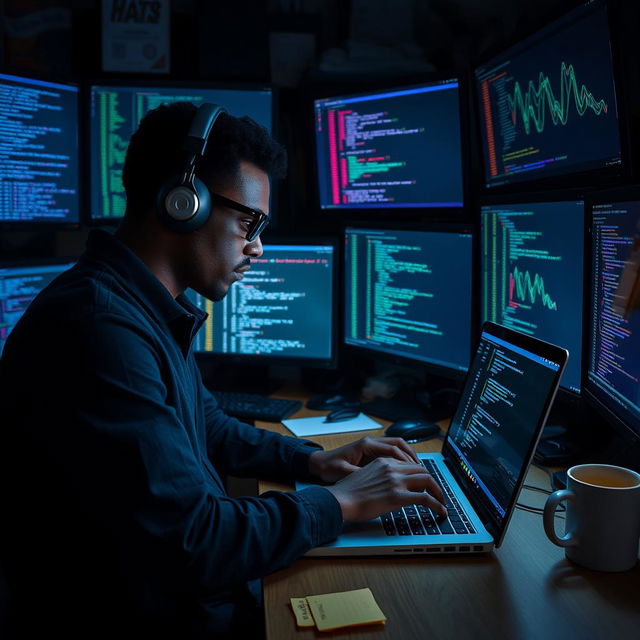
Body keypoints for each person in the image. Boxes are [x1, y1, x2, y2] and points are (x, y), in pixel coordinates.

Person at [0, 102, 446, 639]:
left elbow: (205, 424)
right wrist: (340, 503)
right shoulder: (100, 332)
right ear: (181, 203)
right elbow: (196, 541)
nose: (257, 247)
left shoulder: (136, 304)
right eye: (248, 222)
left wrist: (316, 464)